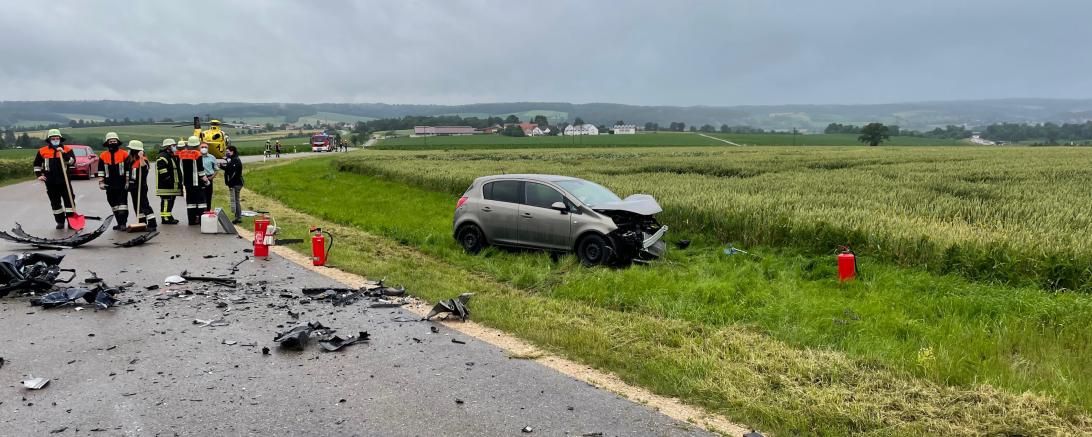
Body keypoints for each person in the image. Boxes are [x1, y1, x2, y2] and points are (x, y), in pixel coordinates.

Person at [32, 129, 76, 229]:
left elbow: (72, 162)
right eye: (53, 138)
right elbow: (37, 164)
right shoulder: (42, 151)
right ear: (49, 140)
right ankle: (60, 222)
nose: (55, 140)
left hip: (64, 180)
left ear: (60, 139)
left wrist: (63, 153)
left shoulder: (67, 150)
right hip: (50, 181)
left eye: (57, 138)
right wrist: (39, 174)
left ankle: (71, 222)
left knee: (69, 201)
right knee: (55, 202)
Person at [97, 132, 130, 230]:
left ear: (118, 142)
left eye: (114, 141)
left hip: (122, 184)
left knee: (122, 205)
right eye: (110, 141)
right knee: (114, 204)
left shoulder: (124, 154)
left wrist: (128, 181)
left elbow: (128, 169)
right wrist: (101, 182)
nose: (112, 143)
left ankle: (123, 223)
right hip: (109, 184)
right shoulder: (103, 155)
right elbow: (101, 170)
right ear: (107, 143)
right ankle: (119, 223)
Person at [125, 140, 156, 231]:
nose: (129, 151)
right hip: (133, 187)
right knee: (137, 206)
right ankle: (142, 222)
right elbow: (128, 173)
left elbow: (144, 167)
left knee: (144, 205)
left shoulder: (143, 160)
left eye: (131, 149)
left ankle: (152, 224)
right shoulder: (130, 160)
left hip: (141, 186)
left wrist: (141, 156)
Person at [177, 136, 206, 225]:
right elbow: (200, 169)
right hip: (197, 182)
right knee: (201, 201)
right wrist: (205, 179)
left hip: (186, 182)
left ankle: (191, 220)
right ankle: (202, 221)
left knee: (190, 202)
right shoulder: (197, 154)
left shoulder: (181, 153)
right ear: (197, 144)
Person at [155, 139, 183, 224]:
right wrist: (168, 179)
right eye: (173, 145)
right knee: (166, 201)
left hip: (172, 184)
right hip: (166, 185)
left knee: (170, 201)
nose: (175, 147)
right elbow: (162, 169)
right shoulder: (163, 156)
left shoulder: (170, 155)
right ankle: (165, 218)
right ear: (168, 147)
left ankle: (169, 216)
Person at [219, 145, 244, 224]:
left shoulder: (235, 160)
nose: (226, 153)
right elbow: (229, 169)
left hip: (236, 184)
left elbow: (233, 173)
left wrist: (230, 184)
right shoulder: (233, 159)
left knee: (236, 201)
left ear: (232, 151)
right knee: (235, 200)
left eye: (227, 152)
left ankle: (238, 218)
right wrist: (222, 166)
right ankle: (237, 216)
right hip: (235, 183)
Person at [198, 142, 217, 212]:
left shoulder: (212, 157)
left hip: (209, 178)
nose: (204, 149)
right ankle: (200, 213)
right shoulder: (197, 157)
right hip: (200, 179)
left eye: (205, 147)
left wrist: (212, 177)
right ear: (199, 148)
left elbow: (216, 169)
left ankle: (208, 211)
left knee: (208, 195)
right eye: (202, 147)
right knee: (200, 196)